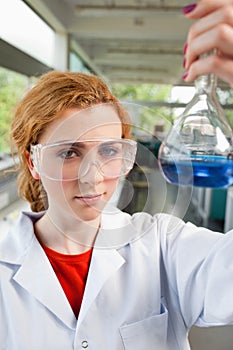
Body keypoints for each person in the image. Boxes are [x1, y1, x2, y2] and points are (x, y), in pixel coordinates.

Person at [1, 1, 233, 349]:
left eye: (109, 151)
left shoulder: (163, 245)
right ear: (32, 161)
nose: (93, 178)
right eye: (69, 152)